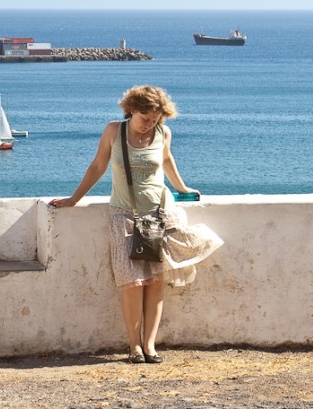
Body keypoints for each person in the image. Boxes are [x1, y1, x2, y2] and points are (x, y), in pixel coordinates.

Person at [50, 85, 221, 364]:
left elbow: (166, 161)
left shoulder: (163, 133)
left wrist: (183, 187)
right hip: (123, 215)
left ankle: (150, 345)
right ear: (131, 110)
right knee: (131, 282)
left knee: (155, 281)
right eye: (145, 118)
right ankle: (134, 346)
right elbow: (97, 167)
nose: (149, 125)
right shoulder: (114, 132)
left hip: (156, 215)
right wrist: (73, 199)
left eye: (155, 119)